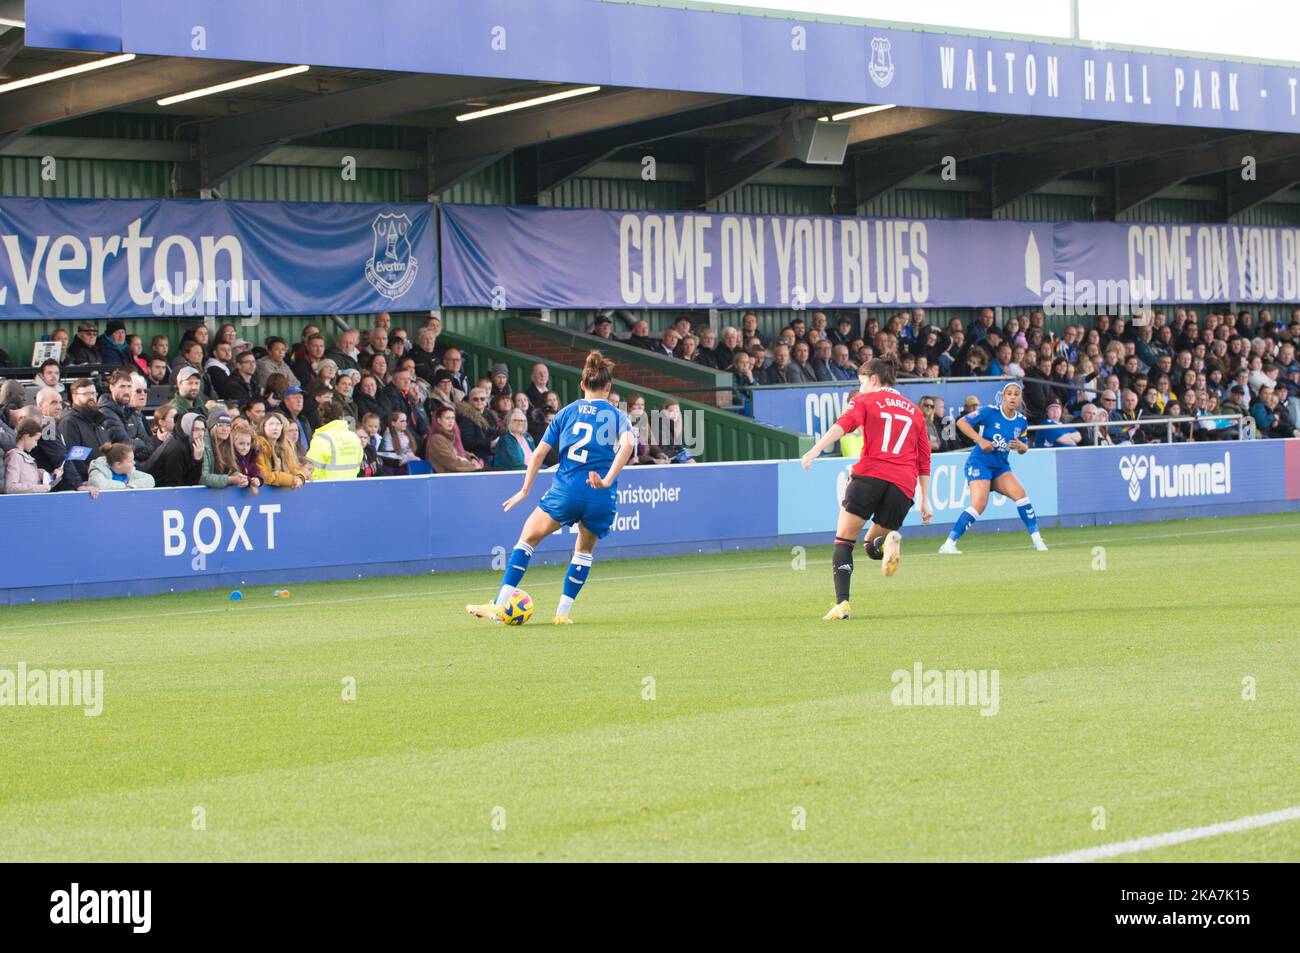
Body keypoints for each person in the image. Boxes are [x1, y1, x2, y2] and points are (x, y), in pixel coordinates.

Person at [466, 351, 635, 625]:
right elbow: (627, 446)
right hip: (600, 495)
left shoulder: (566, 412)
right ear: (608, 388)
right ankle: (561, 614)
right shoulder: (617, 416)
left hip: (566, 490)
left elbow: (538, 454)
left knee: (528, 539)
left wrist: (524, 490)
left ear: (581, 385)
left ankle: (499, 605)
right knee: (583, 550)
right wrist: (605, 481)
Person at [799, 357, 932, 621]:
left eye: (861, 383)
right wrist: (925, 501)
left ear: (874, 380)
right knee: (872, 546)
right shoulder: (915, 411)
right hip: (903, 486)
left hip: (870, 476)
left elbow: (844, 424)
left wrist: (815, 449)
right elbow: (924, 458)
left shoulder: (865, 400)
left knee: (844, 540)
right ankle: (888, 542)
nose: (859, 389)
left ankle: (842, 604)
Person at [939, 381, 1048, 554]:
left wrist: (1022, 447)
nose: (1012, 397)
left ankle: (1037, 540)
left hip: (1000, 466)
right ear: (1003, 397)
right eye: (1009, 394)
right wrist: (980, 440)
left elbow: (1024, 446)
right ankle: (949, 543)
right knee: (979, 505)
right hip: (980, 463)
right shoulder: (990, 411)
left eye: (1016, 394)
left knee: (1021, 496)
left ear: (1020, 398)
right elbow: (961, 423)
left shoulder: (1021, 421)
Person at [144, 412, 207, 487]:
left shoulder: (190, 443)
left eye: (203, 429)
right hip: (155, 491)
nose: (201, 434)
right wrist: (197, 461)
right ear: (187, 428)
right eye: (196, 429)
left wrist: (197, 460)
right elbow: (176, 484)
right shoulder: (177, 448)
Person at [306, 399, 364, 480]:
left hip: (324, 489)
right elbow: (358, 466)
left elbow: (311, 470)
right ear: (341, 417)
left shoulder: (322, 439)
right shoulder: (354, 437)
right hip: (350, 488)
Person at [5, 418, 62, 493]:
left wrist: (48, 476)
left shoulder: (24, 457)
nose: (36, 444)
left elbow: (28, 480)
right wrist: (41, 488)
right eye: (35, 440)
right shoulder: (15, 457)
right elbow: (11, 487)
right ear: (26, 436)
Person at [425, 406, 484, 473]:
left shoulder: (449, 438)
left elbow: (461, 452)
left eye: (453, 418)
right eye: (447, 418)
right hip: (448, 479)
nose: (451, 421)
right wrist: (473, 466)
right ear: (439, 421)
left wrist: (472, 458)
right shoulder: (436, 439)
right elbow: (451, 462)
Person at [257, 413, 306, 488]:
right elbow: (264, 476)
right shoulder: (258, 446)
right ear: (263, 427)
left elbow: (294, 468)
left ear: (282, 427)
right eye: (270, 424)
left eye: (278, 424)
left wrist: (300, 477)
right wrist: (290, 480)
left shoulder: (285, 447)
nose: (275, 428)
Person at [87, 442, 156, 491]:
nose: (134, 463)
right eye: (130, 461)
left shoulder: (129, 472)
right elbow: (100, 485)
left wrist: (130, 487)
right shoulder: (98, 470)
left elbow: (150, 479)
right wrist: (124, 486)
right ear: (118, 464)